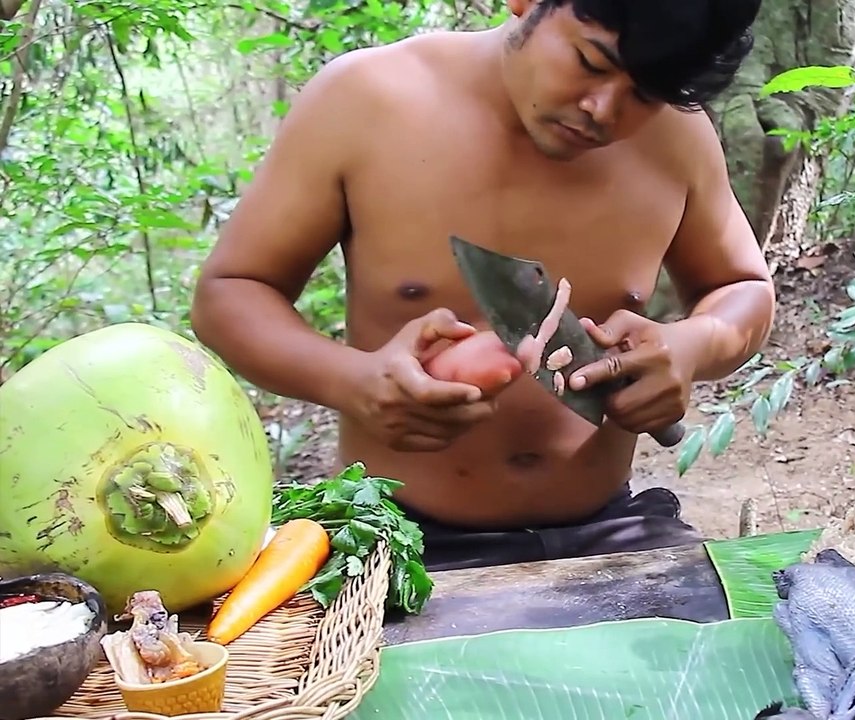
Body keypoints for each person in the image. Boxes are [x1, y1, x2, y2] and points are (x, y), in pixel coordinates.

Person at [190, 0, 775, 573]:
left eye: (645, 93)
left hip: (605, 530)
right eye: (591, 63)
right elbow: (231, 292)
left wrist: (689, 348)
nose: (602, 108)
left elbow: (744, 287)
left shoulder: (677, 140)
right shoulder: (367, 102)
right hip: (396, 537)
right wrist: (354, 382)